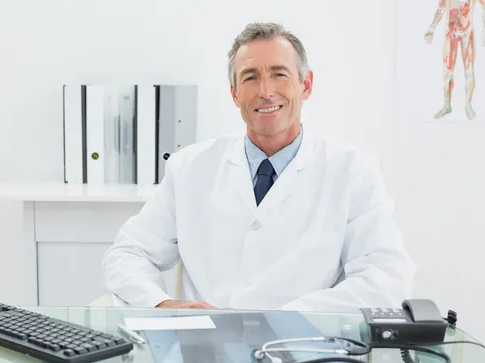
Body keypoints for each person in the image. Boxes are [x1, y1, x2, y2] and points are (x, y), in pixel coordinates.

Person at [102, 22, 416, 311]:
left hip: (304, 349)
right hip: (204, 350)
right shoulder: (189, 168)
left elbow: (385, 278)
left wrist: (282, 320)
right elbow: (128, 255)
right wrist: (162, 305)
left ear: (305, 85)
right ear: (235, 93)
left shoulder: (352, 170)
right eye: (251, 77)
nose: (266, 91)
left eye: (279, 74)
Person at [424, 0, 485, 120]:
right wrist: (431, 29)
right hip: (450, 32)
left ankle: (468, 105)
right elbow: (441, 8)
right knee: (447, 71)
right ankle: (447, 105)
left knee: (469, 70)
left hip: (467, 32)